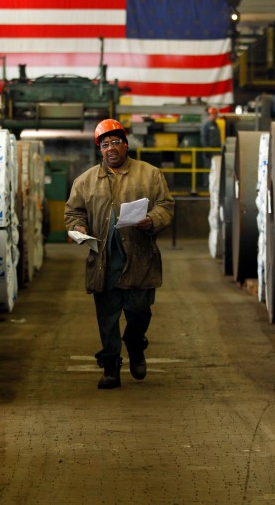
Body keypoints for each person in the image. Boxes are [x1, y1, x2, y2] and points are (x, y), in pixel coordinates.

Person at [64, 119, 175, 390]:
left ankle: (136, 345)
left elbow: (166, 206)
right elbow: (74, 212)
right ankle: (111, 366)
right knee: (108, 317)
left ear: (125, 145)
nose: (111, 148)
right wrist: (77, 228)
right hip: (104, 260)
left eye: (115, 142)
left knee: (139, 311)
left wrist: (152, 220)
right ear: (99, 150)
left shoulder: (149, 174)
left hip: (138, 257)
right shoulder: (86, 181)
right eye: (105, 145)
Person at [200, 106, 222, 186]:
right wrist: (206, 150)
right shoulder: (206, 125)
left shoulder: (216, 125)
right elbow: (204, 138)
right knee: (208, 169)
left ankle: (213, 185)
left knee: (215, 170)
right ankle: (206, 185)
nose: (214, 116)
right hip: (209, 152)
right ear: (209, 115)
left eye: (215, 115)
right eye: (212, 114)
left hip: (216, 151)